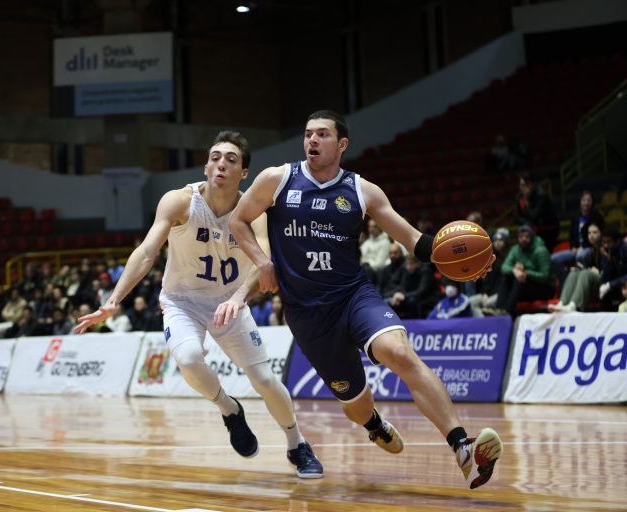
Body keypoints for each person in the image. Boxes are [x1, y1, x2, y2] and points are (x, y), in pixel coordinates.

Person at [228, 110, 501, 489]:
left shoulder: (362, 190)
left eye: (322, 134)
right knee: (356, 405)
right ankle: (374, 424)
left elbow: (415, 241)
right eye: (308, 134)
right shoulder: (278, 179)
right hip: (308, 314)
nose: (312, 140)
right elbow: (238, 220)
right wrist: (263, 262)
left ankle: (463, 449)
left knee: (400, 353)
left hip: (353, 296)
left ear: (342, 144)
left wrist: (467, 259)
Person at [74, 131, 323, 478]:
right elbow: (146, 252)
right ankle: (229, 409)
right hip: (182, 301)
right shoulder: (179, 202)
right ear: (206, 166)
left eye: (231, 160)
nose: (221, 164)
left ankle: (297, 444)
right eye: (215, 157)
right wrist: (114, 301)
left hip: (230, 302)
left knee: (265, 379)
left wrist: (239, 298)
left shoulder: (253, 211)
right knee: (189, 357)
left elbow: (263, 263)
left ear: (244, 173)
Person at [493, 225, 554, 315]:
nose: (523, 239)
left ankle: (506, 311)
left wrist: (526, 273)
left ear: (532, 237)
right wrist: (514, 270)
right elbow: (504, 267)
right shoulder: (516, 249)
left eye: (526, 236)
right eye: (521, 237)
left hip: (543, 288)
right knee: (507, 277)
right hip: (525, 286)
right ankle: (499, 309)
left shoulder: (541, 251)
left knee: (519, 280)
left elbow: (545, 276)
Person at [550, 190, 605, 287]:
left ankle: (584, 283)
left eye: (588, 200)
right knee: (553, 259)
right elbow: (571, 235)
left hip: (589, 248)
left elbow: (597, 237)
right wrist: (573, 247)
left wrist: (582, 247)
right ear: (580, 202)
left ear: (592, 202)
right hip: (576, 249)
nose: (586, 203)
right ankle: (565, 281)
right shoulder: (575, 217)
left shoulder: (597, 217)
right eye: (584, 200)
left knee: (580, 256)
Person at [548, 222, 606, 313]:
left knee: (585, 273)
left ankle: (574, 305)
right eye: (589, 233)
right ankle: (563, 303)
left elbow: (612, 269)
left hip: (605, 283)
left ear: (601, 233)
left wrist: (600, 272)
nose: (591, 236)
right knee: (574, 272)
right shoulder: (591, 250)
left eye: (595, 232)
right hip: (591, 282)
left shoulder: (606, 247)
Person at [513, 172, 559, 252]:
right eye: (522, 185)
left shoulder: (542, 195)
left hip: (547, 230)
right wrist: (527, 224)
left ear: (532, 184)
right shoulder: (519, 196)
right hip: (531, 228)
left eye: (526, 184)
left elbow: (535, 217)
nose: (524, 188)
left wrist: (526, 201)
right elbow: (516, 217)